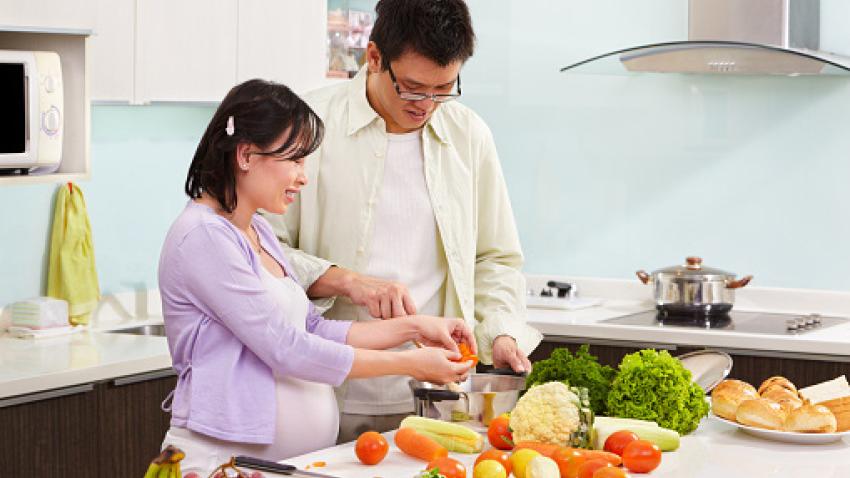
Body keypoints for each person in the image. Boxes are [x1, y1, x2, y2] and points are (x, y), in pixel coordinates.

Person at [157, 79, 476, 474]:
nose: (303, 176)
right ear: (245, 155)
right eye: (294, 159)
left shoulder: (258, 232)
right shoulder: (204, 236)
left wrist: (412, 328)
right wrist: (410, 365)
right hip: (218, 463)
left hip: (277, 465)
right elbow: (286, 349)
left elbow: (312, 329)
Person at [262, 0, 542, 442]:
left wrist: (501, 332)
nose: (427, 105)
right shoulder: (308, 128)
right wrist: (345, 280)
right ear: (374, 58)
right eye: (412, 89)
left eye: (444, 88)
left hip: (440, 399)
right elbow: (259, 253)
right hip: (324, 394)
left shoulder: (469, 136)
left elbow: (495, 258)